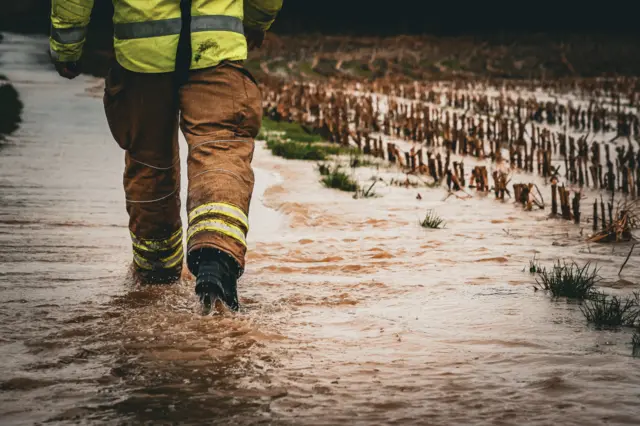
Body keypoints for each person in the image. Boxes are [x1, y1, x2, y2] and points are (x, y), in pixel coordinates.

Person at [50, 0, 283, 311]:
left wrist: (67, 48)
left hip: (142, 56)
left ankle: (154, 285)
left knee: (149, 165)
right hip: (216, 49)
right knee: (221, 150)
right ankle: (215, 258)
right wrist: (253, 23)